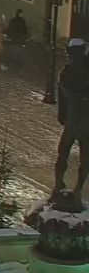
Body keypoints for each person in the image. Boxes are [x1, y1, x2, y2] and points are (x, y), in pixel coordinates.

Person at [56, 38, 89, 197]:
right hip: (81, 120)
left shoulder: (66, 72)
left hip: (74, 119)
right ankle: (77, 188)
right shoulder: (70, 71)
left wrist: (62, 115)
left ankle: (60, 186)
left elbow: (63, 95)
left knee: (63, 153)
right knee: (84, 156)